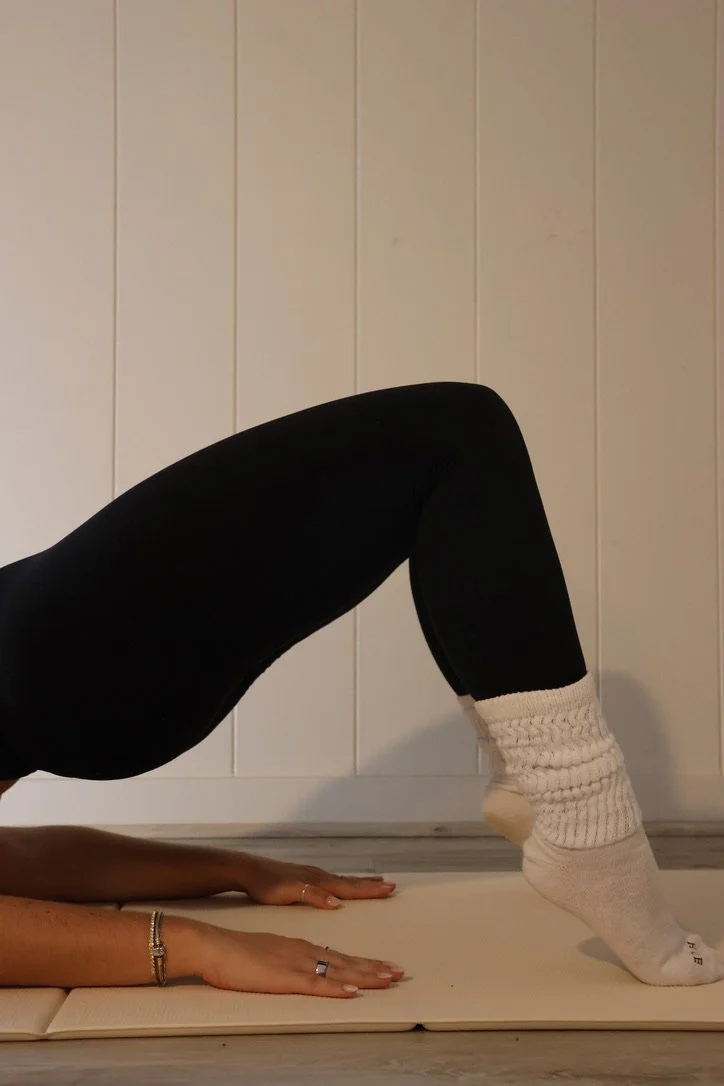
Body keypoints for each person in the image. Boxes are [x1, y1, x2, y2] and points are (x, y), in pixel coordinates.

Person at [0, 380, 720, 997]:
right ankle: (582, 814)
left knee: (445, 454)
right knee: (456, 436)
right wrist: (195, 946)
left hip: (58, 665)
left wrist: (230, 868)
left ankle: (555, 801)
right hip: (61, 665)